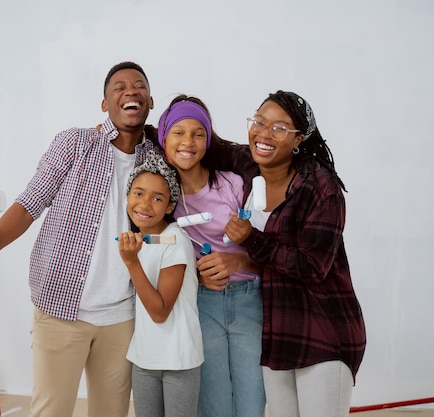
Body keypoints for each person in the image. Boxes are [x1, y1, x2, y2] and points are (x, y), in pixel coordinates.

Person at [0, 61, 159, 417]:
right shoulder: (75, 143)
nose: (130, 90)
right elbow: (29, 203)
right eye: (118, 87)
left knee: (111, 413)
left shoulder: (158, 157)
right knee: (50, 412)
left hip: (123, 315)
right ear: (105, 104)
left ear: (150, 100)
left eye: (139, 85)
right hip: (62, 308)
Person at [224, 90, 366, 417]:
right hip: (277, 337)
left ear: (298, 139)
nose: (264, 133)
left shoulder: (320, 186)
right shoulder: (250, 163)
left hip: (324, 334)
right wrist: (146, 129)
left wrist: (251, 240)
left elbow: (313, 266)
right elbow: (207, 144)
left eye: (279, 128)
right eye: (259, 121)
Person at [156, 95, 266, 417]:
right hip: (202, 303)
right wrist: (196, 273)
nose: (188, 141)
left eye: (198, 133)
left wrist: (240, 259)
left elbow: (270, 248)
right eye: (178, 132)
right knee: (213, 404)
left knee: (251, 402)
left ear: (208, 139)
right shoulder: (164, 200)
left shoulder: (232, 185)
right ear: (164, 138)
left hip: (250, 300)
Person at [118, 151, 204, 417]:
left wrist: (132, 263)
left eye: (157, 198)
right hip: (144, 358)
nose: (145, 204)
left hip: (178, 358)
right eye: (139, 193)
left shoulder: (175, 240)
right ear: (128, 196)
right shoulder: (137, 240)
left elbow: (159, 311)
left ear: (169, 206)